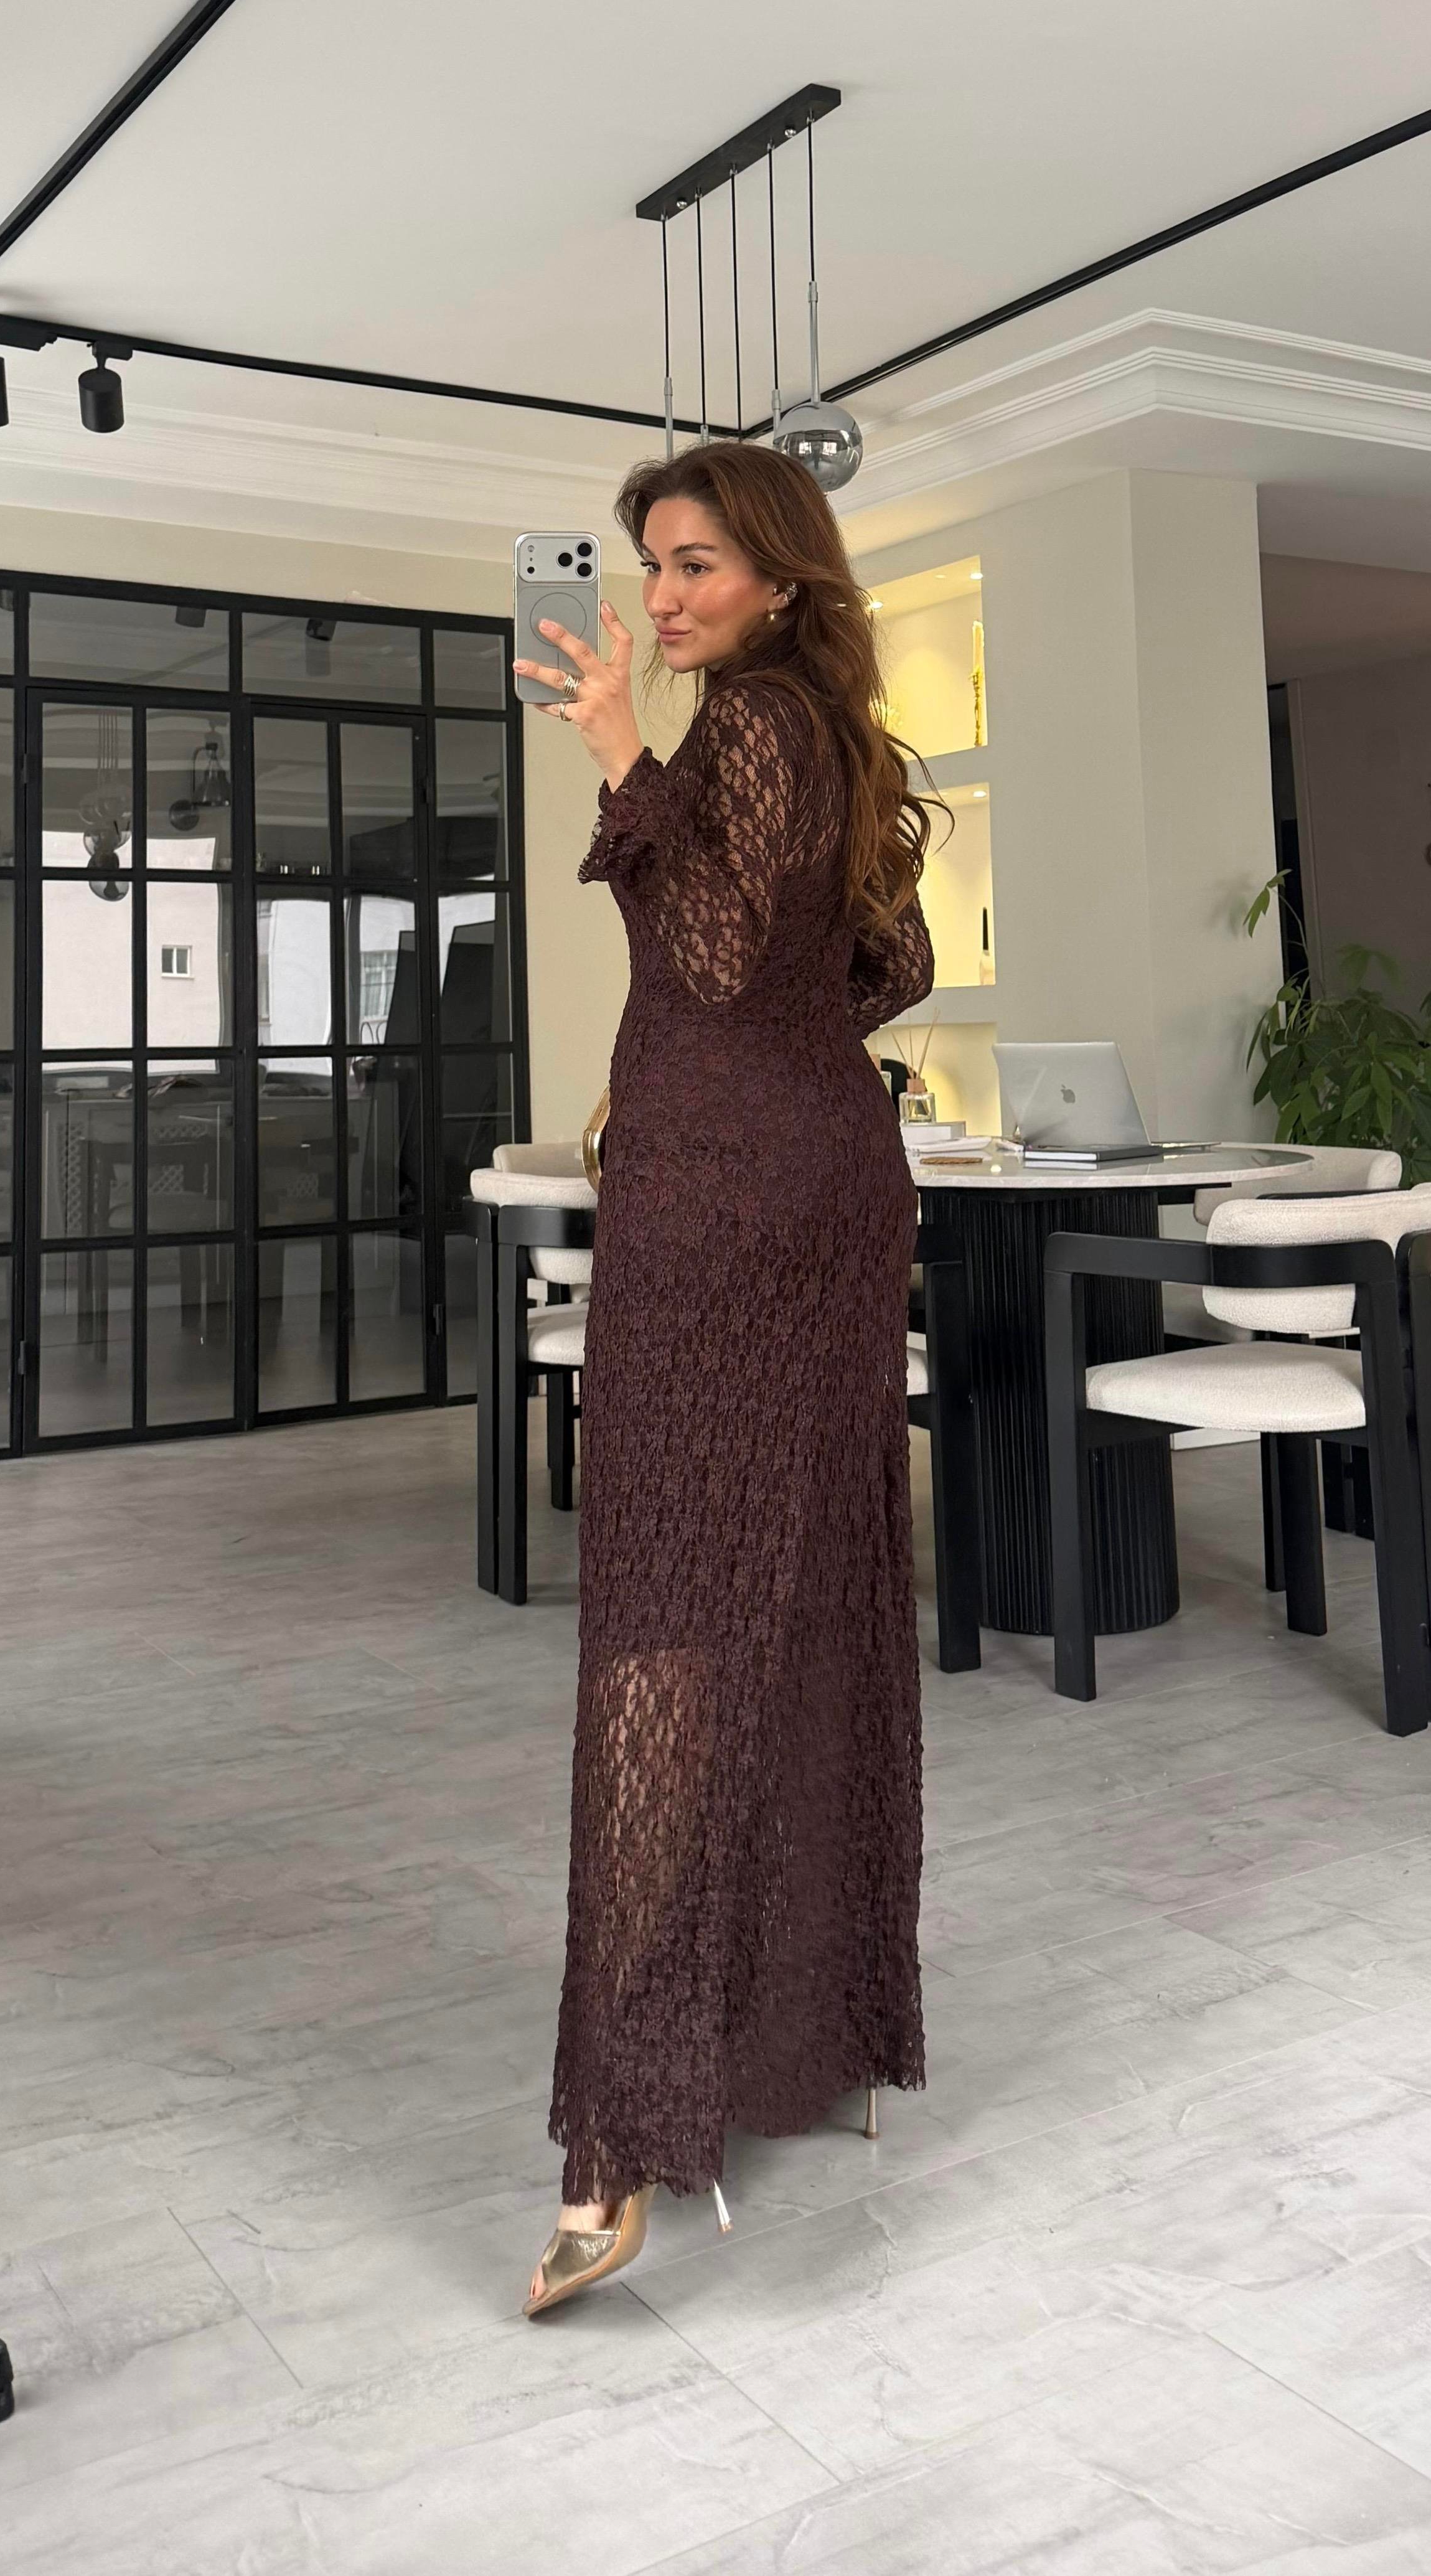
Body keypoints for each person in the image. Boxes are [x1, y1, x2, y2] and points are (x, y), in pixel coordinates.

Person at [512, 440, 938, 2317]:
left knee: (664, 1628)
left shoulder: (751, 724)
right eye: (653, 567)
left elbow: (700, 955)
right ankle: (804, 2033)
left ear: (778, 575)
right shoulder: (828, 733)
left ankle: (615, 2141)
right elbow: (884, 963)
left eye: (697, 564)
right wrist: (752, 1068)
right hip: (816, 1185)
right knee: (809, 1593)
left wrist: (618, 749)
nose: (665, 598)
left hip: (730, 1221)